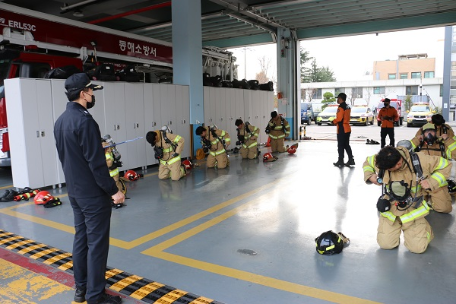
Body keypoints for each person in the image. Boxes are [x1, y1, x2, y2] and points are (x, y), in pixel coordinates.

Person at [54, 73, 125, 304]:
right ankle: (96, 296)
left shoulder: (61, 121)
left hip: (74, 192)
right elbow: (96, 164)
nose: (93, 94)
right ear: (83, 93)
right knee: (97, 245)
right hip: (93, 195)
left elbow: (68, 158)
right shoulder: (85, 122)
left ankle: (81, 289)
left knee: (81, 239)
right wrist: (114, 191)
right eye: (91, 90)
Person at [363, 145, 452, 253]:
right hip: (391, 207)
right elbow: (368, 162)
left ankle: (425, 230)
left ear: (399, 164)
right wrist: (370, 176)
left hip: (412, 208)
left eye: (389, 169)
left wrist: (431, 182)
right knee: (386, 244)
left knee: (418, 248)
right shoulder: (383, 159)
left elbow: (446, 165)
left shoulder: (421, 160)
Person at [332, 93, 354, 167]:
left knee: (340, 145)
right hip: (347, 128)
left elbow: (339, 118)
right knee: (346, 145)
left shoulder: (341, 107)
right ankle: (351, 159)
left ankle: (340, 160)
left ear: (341, 99)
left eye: (338, 98)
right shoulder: (347, 106)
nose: (337, 100)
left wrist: (333, 121)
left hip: (342, 129)